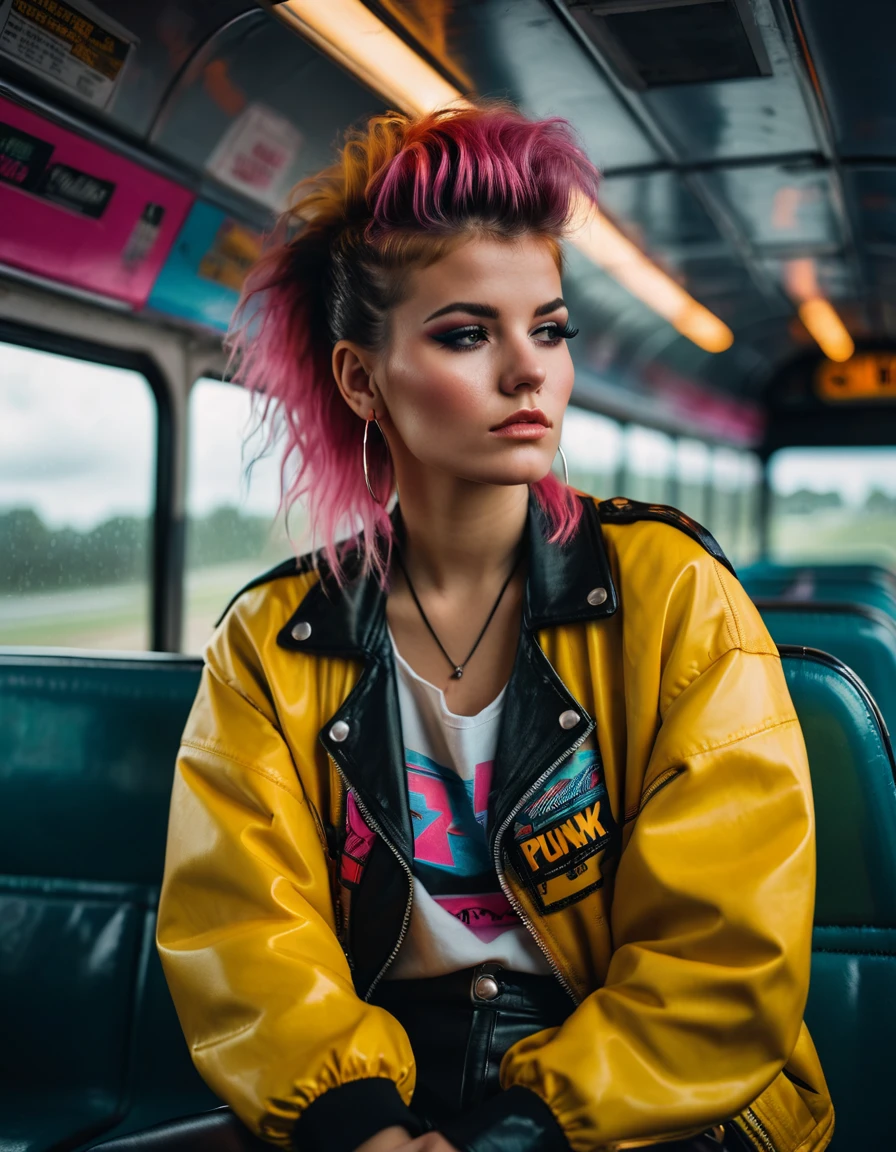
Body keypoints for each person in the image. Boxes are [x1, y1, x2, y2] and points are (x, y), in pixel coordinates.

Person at [156, 104, 834, 1152]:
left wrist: (527, 1130)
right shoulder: (270, 643)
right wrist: (360, 1128)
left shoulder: (673, 596)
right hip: (380, 1077)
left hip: (642, 1098)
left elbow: (718, 953)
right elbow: (244, 934)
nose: (529, 371)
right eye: (467, 333)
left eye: (548, 329)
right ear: (360, 378)